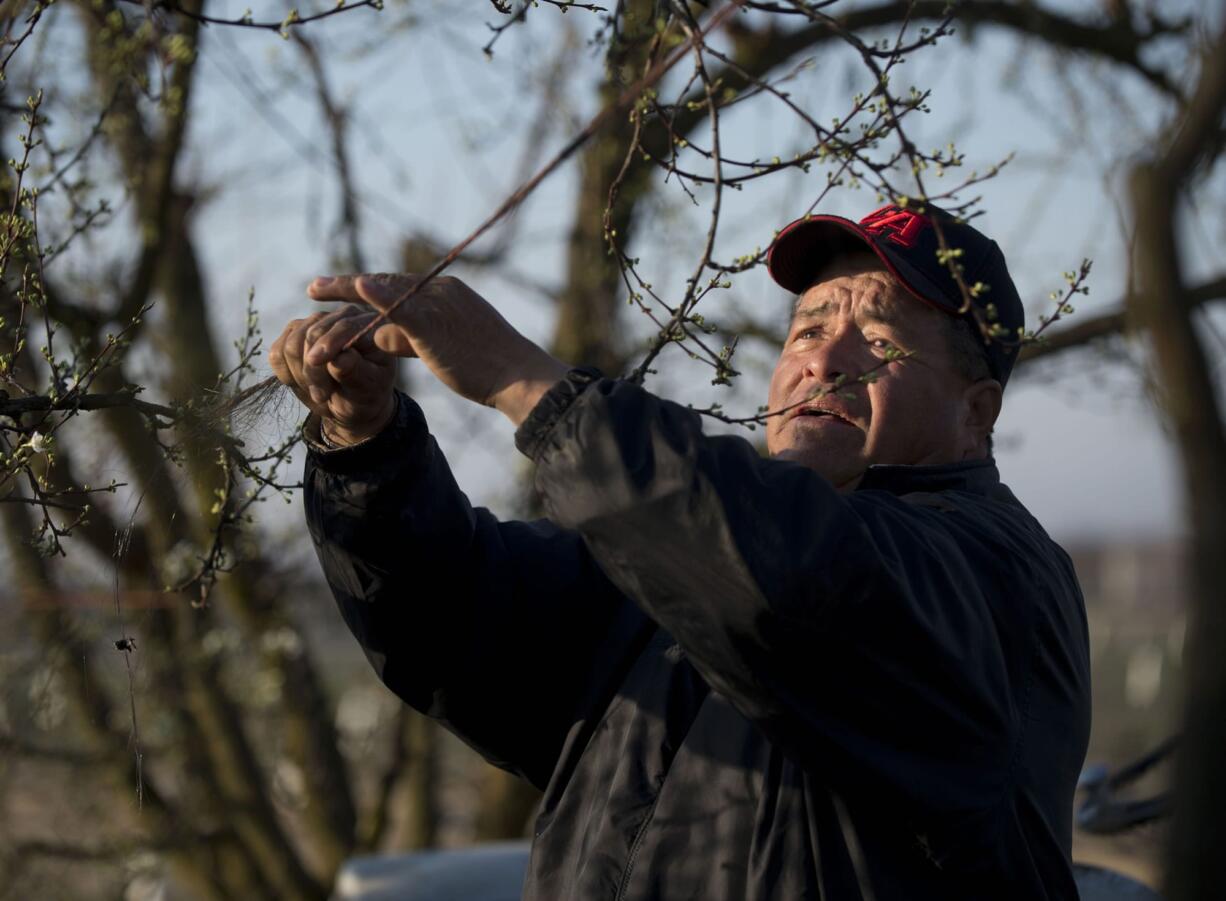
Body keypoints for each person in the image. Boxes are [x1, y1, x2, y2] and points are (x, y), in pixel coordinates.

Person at [270, 203, 1091, 900]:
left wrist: (523, 381)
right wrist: (363, 443)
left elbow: (797, 581)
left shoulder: (995, 572)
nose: (823, 357)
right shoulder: (678, 562)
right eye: (808, 325)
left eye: (879, 337)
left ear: (976, 413)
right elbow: (456, 623)